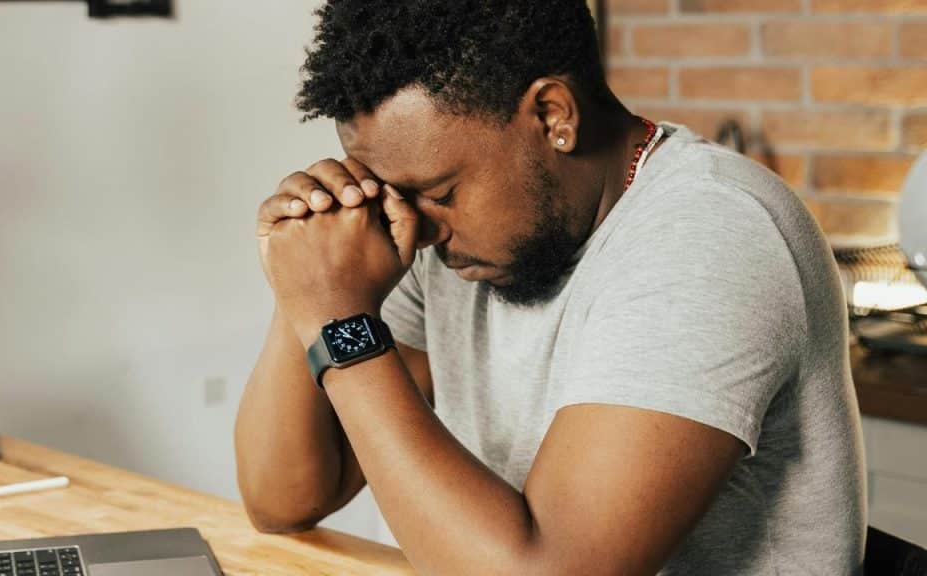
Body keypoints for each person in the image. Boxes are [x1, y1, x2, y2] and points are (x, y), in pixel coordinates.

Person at [234, 1, 866, 574]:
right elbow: (283, 498)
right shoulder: (452, 245)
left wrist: (339, 319)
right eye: (397, 195)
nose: (418, 229)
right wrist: (309, 281)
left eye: (439, 192)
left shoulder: (709, 232)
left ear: (552, 115)